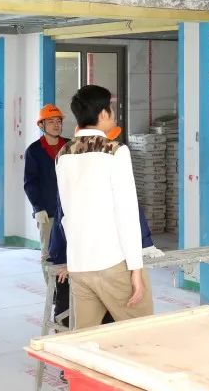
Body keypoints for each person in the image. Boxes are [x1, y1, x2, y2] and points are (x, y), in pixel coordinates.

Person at [55, 85, 153, 329]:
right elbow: (127, 214)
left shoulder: (63, 154)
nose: (113, 113)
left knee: (85, 339)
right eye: (111, 108)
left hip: (80, 264)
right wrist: (136, 269)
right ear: (102, 113)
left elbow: (66, 214)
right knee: (143, 334)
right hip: (112, 262)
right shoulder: (115, 151)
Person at [24, 104, 68, 266]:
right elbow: (30, 183)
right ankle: (51, 284)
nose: (56, 125)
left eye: (58, 121)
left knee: (72, 252)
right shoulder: (34, 151)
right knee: (49, 254)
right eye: (51, 122)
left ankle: (70, 283)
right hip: (47, 212)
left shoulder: (70, 146)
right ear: (41, 125)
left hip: (70, 210)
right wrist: (38, 208)